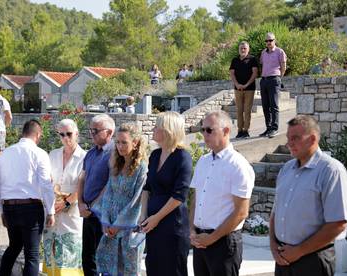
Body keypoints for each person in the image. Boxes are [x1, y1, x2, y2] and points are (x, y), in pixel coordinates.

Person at [269, 115, 347, 276]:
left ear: (312, 139)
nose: (289, 143)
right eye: (288, 138)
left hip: (312, 261)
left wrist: (298, 251)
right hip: (283, 258)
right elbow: (276, 213)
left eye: (295, 138)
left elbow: (338, 223)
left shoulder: (331, 170)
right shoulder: (286, 169)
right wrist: (273, 247)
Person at [190, 110, 255, 276]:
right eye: (202, 129)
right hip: (200, 240)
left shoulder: (238, 165)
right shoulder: (203, 162)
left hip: (223, 243)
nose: (205, 134)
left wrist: (211, 239)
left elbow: (241, 212)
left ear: (226, 131)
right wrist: (192, 230)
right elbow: (196, 200)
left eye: (209, 130)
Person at [0, 119, 55, 276]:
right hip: (30, 208)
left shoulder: (5, 153)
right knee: (32, 254)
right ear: (38, 135)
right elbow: (46, 185)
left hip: (9, 207)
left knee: (14, 247)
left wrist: (1, 211)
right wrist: (51, 211)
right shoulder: (39, 153)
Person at [92, 123, 148, 275]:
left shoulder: (141, 168)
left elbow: (137, 201)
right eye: (117, 142)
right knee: (109, 268)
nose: (120, 146)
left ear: (135, 143)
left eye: (124, 142)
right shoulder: (116, 165)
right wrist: (105, 221)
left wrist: (119, 225)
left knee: (129, 270)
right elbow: (108, 193)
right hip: (110, 227)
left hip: (130, 229)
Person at [141, 111, 193, 276]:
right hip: (152, 225)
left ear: (168, 130)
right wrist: (143, 216)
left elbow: (179, 195)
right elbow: (147, 187)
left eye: (157, 126)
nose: (153, 129)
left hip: (173, 225)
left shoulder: (182, 157)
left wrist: (156, 218)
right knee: (154, 268)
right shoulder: (155, 155)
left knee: (173, 270)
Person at [42, 119, 86, 275]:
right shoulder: (52, 154)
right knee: (51, 257)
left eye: (69, 134)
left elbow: (85, 186)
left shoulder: (84, 157)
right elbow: (46, 180)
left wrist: (67, 202)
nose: (66, 138)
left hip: (72, 213)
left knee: (70, 258)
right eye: (62, 134)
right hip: (52, 212)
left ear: (77, 134)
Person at [77, 114, 115, 276]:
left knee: (104, 261)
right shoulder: (91, 153)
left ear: (109, 132)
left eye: (96, 131)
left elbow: (111, 184)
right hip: (87, 213)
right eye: (91, 130)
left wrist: (92, 206)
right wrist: (80, 203)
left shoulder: (115, 153)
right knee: (88, 259)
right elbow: (82, 178)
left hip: (103, 215)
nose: (92, 134)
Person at [259, 32, 287, 138]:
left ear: (274, 40)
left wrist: (279, 78)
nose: (268, 42)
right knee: (265, 106)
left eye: (270, 40)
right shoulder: (263, 53)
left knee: (274, 105)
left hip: (274, 79)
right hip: (264, 80)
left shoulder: (280, 52)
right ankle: (268, 128)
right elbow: (263, 65)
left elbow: (283, 66)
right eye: (266, 41)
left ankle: (274, 128)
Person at [229, 41, 258, 139]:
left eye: (245, 48)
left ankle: (246, 130)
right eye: (241, 48)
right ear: (239, 49)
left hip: (249, 89)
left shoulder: (252, 59)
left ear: (248, 49)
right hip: (238, 89)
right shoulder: (234, 60)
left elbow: (255, 73)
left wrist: (246, 85)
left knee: (247, 110)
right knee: (239, 110)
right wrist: (237, 84)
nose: (243, 50)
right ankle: (239, 130)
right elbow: (232, 73)